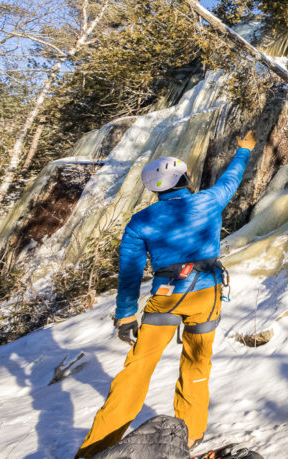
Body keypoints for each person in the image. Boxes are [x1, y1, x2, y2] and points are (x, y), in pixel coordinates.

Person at [75, 131, 257, 458]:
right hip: (206, 295)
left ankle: (96, 447)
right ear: (185, 178)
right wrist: (243, 150)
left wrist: (126, 315)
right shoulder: (207, 201)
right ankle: (191, 435)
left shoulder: (140, 221)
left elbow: (129, 272)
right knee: (197, 365)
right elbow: (232, 179)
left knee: (137, 369)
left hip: (166, 296)